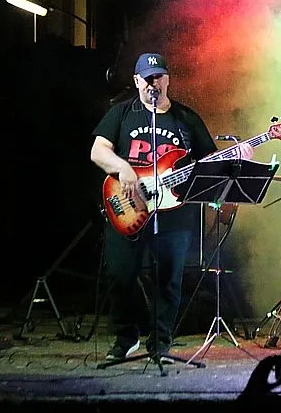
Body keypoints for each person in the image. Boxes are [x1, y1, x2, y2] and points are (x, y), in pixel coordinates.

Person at [90, 52, 252, 361]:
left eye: (159, 77)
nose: (154, 83)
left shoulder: (186, 119)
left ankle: (160, 343)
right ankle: (126, 337)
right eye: (147, 78)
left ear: (168, 79)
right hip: (128, 205)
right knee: (120, 276)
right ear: (137, 81)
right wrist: (123, 168)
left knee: (169, 281)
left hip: (175, 212)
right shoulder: (122, 113)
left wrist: (237, 155)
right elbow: (98, 151)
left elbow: (208, 163)